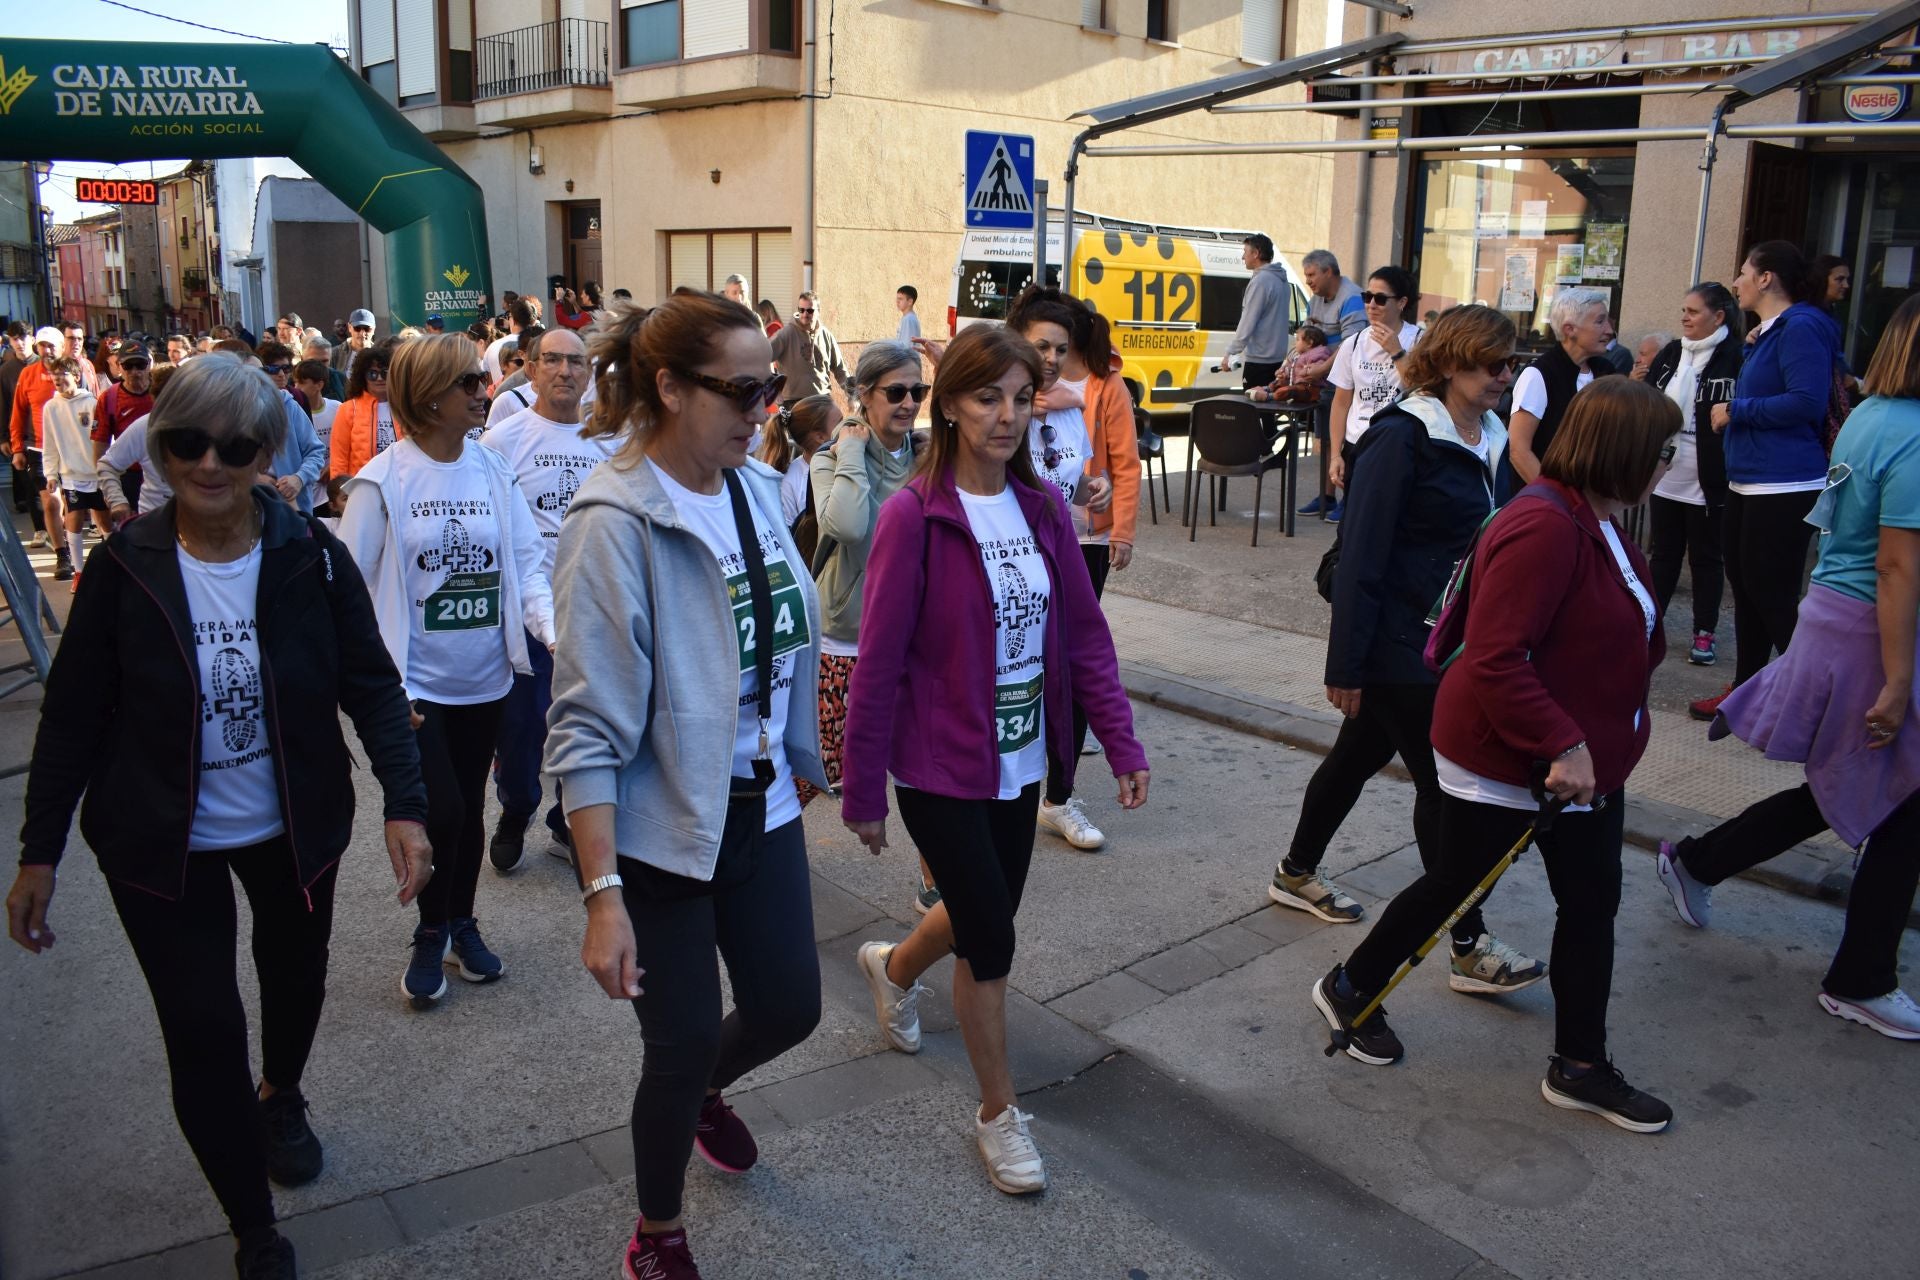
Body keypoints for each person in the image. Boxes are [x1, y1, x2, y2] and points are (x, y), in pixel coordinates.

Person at [7, 354, 431, 1280]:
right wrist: (40, 851)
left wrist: (406, 806)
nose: (210, 463)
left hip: (294, 826)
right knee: (202, 1029)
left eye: (235, 447)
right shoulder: (124, 567)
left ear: (264, 454)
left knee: (296, 982)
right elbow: (72, 718)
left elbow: (370, 681)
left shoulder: (309, 555)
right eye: (188, 443)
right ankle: (252, 1227)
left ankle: (280, 1093)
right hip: (160, 842)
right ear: (162, 449)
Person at [544, 292, 826, 1280]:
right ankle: (656, 1232)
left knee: (790, 1006)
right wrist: (602, 895)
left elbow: (788, 631)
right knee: (681, 1038)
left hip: (763, 802)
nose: (763, 409)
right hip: (661, 824)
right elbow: (583, 726)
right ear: (668, 387)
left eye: (770, 387)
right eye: (741, 391)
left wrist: (807, 742)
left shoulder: (752, 487)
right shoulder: (612, 523)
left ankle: (702, 1092)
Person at [1313, 377, 1679, 1134]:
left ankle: (1580, 1065)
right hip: (1510, 758)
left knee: (1591, 904)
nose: (1668, 465)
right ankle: (1350, 987)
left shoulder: (1601, 521)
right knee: (1453, 885)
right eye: (1662, 451)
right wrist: (1564, 740)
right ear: (1622, 451)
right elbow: (1494, 657)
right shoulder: (1543, 525)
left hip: (1581, 768)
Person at [843, 324, 1149, 1195]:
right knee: (993, 938)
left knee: (982, 915)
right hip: (939, 767)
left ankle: (893, 967)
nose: (1008, 415)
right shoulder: (914, 516)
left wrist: (1119, 739)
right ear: (949, 405)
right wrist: (863, 789)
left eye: (1021, 397)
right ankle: (998, 1113)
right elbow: (879, 659)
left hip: (1020, 761)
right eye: (987, 397)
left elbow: (1084, 638)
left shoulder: (1043, 509)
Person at [1657, 296, 1920, 1042]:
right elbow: (1897, 567)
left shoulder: (1872, 415)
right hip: (1870, 631)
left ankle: (1700, 862)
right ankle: (1861, 979)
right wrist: (1899, 681)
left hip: (1845, 618)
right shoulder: (1908, 429)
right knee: (1898, 800)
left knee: (1859, 786)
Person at [1269, 304, 1545, 987]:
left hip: (1446, 638)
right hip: (1401, 643)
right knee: (1442, 788)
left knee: (1357, 755)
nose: (1504, 376)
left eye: (1511, 364)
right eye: (1491, 363)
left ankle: (1295, 872)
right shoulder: (1403, 436)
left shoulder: (1486, 434)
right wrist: (1347, 665)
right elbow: (1361, 556)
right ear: (1450, 362)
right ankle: (1467, 945)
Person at [338, 333, 553, 1006]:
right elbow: (347, 594)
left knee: (468, 807)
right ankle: (431, 932)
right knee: (445, 809)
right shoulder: (382, 481)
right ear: (428, 396)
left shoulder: (493, 470)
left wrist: (555, 633)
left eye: (478, 380)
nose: (484, 390)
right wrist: (378, 689)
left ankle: (462, 924)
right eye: (467, 382)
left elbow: (527, 566)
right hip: (415, 686)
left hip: (485, 680)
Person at [1003, 286, 1140, 851]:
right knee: (1011, 673)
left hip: (1069, 551)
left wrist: (1095, 491)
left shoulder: (1071, 405)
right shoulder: (998, 408)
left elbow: (1073, 480)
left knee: (1073, 668)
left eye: (1061, 349)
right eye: (1042, 346)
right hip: (1010, 560)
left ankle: (1058, 797)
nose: (1053, 358)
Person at [478, 327, 613, 873]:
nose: (565, 371)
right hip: (525, 618)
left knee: (582, 728)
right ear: (530, 369)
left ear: (589, 373)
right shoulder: (500, 442)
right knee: (520, 733)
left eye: (576, 362)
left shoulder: (610, 444)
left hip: (592, 612)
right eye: (552, 360)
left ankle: (567, 819)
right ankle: (517, 808)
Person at [1689, 242, 1839, 721]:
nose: (1736, 282)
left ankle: (1814, 702)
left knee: (1771, 594)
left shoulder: (1803, 327)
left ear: (1766, 277)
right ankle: (1747, 693)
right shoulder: (1773, 331)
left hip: (1785, 483)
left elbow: (1805, 402)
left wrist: (1736, 410)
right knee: (1747, 589)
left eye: (1743, 272)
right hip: (1749, 481)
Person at [1645, 283, 1743, 668]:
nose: (1684, 317)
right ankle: (1650, 624)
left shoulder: (1736, 356)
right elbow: (1649, 400)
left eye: (1693, 311)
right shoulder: (1672, 352)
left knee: (1706, 558)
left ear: (1718, 317)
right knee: (1663, 555)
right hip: (1665, 471)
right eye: (1683, 310)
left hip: (1709, 476)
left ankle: (1704, 631)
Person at [1504, 287, 1618, 489]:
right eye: (1600, 321)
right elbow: (1518, 450)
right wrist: (1557, 498)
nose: (1609, 330)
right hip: (1548, 500)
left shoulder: (1607, 373)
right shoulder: (1539, 375)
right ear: (1569, 329)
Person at [1325, 266, 1423, 493]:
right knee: (1354, 511)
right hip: (1358, 442)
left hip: (1400, 444)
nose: (1371, 305)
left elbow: (1421, 392)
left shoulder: (1419, 341)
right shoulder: (1353, 343)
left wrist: (1397, 352)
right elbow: (1341, 403)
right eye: (1367, 297)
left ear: (1401, 303)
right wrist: (1336, 455)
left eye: (1380, 299)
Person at [1296, 249, 1367, 518]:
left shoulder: (1352, 298)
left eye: (1312, 275)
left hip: (1347, 382)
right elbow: (1308, 336)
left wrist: (1322, 367)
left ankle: (1349, 501)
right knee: (1327, 441)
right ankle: (1326, 497)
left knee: (1349, 442)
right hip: (1324, 383)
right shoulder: (1315, 299)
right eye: (1306, 276)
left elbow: (1351, 344)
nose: (1308, 281)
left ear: (1329, 271)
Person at [38, 358, 108, 590]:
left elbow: (104, 438)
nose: (57, 378)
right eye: (54, 374)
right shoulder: (51, 407)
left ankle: (114, 568)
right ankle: (79, 572)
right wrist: (51, 474)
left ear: (76, 376)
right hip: (71, 475)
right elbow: (49, 444)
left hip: (95, 474)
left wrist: (106, 467)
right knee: (74, 519)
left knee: (105, 521)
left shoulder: (92, 403)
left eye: (63, 373)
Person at [11, 327, 69, 575]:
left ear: (61, 347)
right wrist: (17, 448)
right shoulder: (28, 374)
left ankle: (71, 544)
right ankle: (62, 555)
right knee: (51, 503)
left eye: (52, 345)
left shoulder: (75, 369)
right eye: (42, 346)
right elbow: (18, 412)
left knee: (72, 506)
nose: (47, 350)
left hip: (71, 448)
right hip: (40, 449)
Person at [99, 362, 181, 521]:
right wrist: (117, 501)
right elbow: (107, 465)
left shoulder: (205, 424)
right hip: (154, 519)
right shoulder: (145, 426)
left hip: (197, 521)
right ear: (154, 398)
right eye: (162, 401)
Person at [1217, 233, 1294, 392]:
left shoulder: (1261, 281)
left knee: (1253, 404)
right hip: (1277, 359)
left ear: (1256, 253)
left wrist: (1231, 352)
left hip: (1259, 360)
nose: (1242, 257)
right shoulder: (1282, 281)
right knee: (1270, 405)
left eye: (1245, 251)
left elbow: (1248, 320)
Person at [755, 392, 834, 538]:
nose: (847, 427)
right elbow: (790, 536)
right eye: (840, 422)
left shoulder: (850, 459)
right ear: (820, 437)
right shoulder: (791, 481)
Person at [91, 341, 154, 514]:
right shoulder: (109, 398)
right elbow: (100, 444)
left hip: (163, 473)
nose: (135, 371)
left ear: (149, 364)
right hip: (129, 475)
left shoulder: (163, 391)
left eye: (140, 365)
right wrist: (107, 487)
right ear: (119, 366)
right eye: (128, 365)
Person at [769, 292, 854, 408]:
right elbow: (762, 358)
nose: (805, 314)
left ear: (819, 311)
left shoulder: (826, 336)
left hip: (822, 400)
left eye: (810, 311)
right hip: (792, 403)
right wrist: (774, 389)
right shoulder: (785, 334)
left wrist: (852, 395)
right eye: (801, 310)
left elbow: (840, 370)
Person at [328, 346, 395, 479]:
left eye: (385, 373)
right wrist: (339, 488)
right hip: (362, 484)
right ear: (363, 377)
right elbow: (339, 458)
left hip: (400, 482)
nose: (379, 378)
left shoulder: (404, 407)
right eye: (372, 374)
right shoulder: (348, 409)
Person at [292, 359, 341, 515]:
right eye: (295, 382)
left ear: (319, 385)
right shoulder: (293, 412)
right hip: (304, 491)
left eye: (301, 383)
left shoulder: (337, 408)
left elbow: (349, 445)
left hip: (331, 493)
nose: (296, 388)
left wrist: (332, 466)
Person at [1251, 325, 1329, 404]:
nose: (1295, 343)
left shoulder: (1318, 353)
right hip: (1295, 384)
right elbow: (1292, 368)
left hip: (1309, 389)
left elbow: (1319, 366)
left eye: (1298, 340)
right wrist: (1283, 372)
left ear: (1309, 343)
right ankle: (1267, 389)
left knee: (1288, 391)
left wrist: (1306, 371)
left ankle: (1269, 396)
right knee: (1280, 382)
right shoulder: (1299, 356)